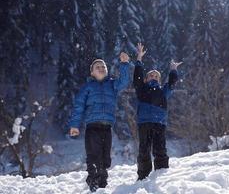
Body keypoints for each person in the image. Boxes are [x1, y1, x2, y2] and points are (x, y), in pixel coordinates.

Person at [67, 53, 130, 192]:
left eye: (103, 66)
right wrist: (74, 125)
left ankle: (102, 182)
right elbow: (79, 106)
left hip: (107, 127)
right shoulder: (88, 87)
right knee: (94, 154)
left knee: (105, 157)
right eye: (97, 67)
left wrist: (124, 64)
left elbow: (124, 82)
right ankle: (93, 181)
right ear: (92, 72)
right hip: (92, 126)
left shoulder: (112, 84)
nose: (101, 68)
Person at [133, 43, 182, 180]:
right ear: (146, 79)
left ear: (159, 80)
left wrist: (173, 70)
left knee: (160, 148)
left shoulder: (163, 91)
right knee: (144, 150)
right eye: (151, 75)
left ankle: (161, 174)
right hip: (144, 123)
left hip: (159, 123)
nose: (154, 77)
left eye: (156, 76)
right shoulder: (141, 89)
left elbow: (172, 83)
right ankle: (143, 175)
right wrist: (139, 59)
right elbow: (137, 78)